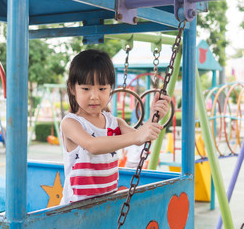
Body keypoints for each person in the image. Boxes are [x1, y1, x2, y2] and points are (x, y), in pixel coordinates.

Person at [60, 49, 171, 204]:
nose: (94, 96)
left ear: (110, 89)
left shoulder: (114, 122)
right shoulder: (71, 123)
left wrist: (154, 117)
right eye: (86, 88)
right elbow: (92, 145)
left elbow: (140, 138)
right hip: (74, 210)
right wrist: (138, 135)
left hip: (107, 205)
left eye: (102, 89)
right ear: (72, 88)